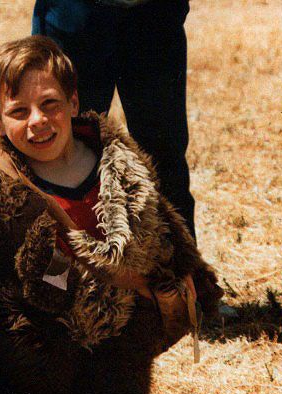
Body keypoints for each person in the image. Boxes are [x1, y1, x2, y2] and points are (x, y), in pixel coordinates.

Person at [0, 35, 222, 394]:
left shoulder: (118, 161)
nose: (37, 120)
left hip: (118, 335)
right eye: (19, 111)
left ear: (73, 103)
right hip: (36, 341)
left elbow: (159, 221)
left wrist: (192, 274)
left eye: (50, 104)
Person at [32, 0, 196, 240]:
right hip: (73, 15)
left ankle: (181, 270)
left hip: (154, 14)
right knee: (58, 147)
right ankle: (53, 268)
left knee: (163, 155)